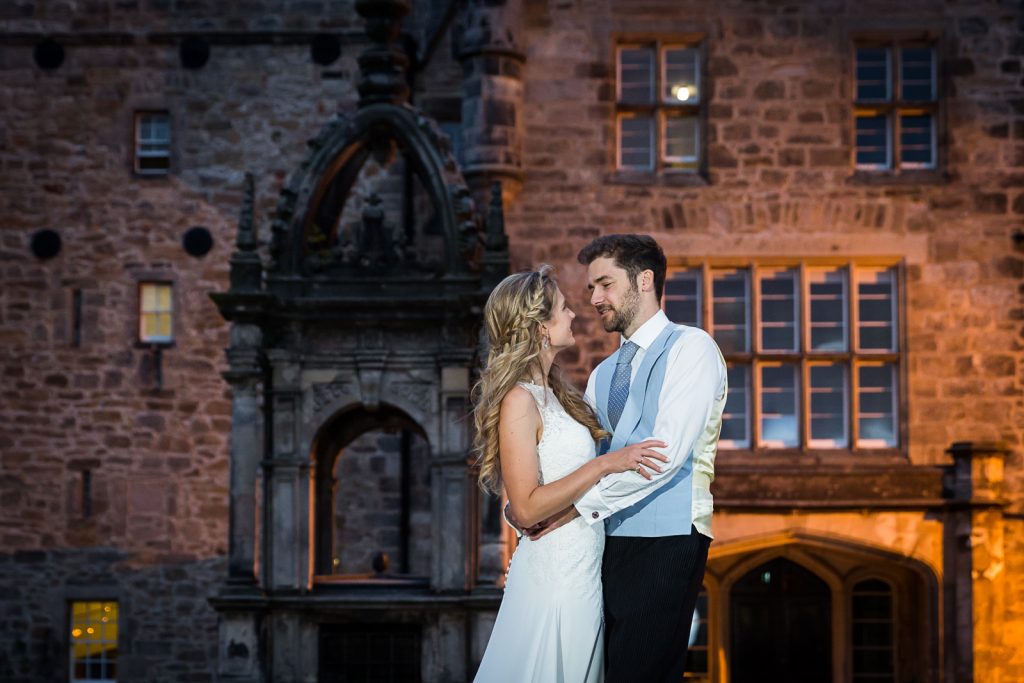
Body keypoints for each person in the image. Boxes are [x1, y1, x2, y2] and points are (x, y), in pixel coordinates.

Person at [472, 264, 669, 682]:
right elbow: (525, 508)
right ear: (540, 326)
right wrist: (605, 463)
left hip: (582, 570)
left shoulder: (558, 394)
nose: (573, 315)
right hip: (554, 578)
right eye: (562, 309)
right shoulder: (519, 401)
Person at [571, 234, 728, 682]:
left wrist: (575, 508)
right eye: (591, 289)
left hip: (669, 537)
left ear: (644, 280)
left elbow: (666, 454)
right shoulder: (601, 375)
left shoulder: (691, 348)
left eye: (605, 284)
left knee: (644, 671)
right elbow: (591, 456)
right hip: (602, 541)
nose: (596, 299)